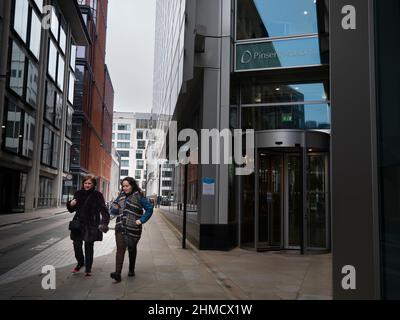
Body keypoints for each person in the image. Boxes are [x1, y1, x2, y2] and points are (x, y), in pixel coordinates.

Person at [109, 177, 153, 282]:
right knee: (120, 249)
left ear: (132, 185)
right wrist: (114, 208)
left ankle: (131, 269)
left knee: (132, 248)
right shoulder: (121, 196)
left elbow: (149, 209)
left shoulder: (139, 196)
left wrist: (141, 220)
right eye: (123, 186)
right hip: (120, 226)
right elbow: (113, 210)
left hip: (134, 228)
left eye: (127, 186)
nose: (124, 188)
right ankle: (117, 273)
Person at [67, 175, 110, 277]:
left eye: (89, 183)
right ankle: (80, 262)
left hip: (91, 224)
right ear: (83, 184)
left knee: (89, 246)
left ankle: (88, 268)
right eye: (85, 183)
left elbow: (104, 210)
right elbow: (71, 210)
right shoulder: (78, 193)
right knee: (76, 245)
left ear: (93, 184)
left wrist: (104, 223)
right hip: (78, 223)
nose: (87, 185)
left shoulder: (98, 195)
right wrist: (71, 204)